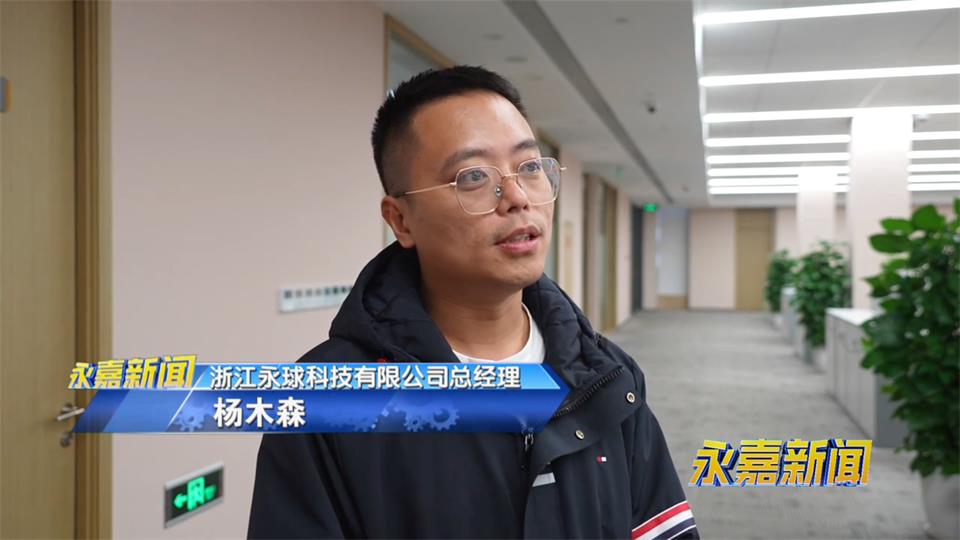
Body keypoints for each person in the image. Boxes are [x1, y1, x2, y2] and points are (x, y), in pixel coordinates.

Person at [248, 65, 698, 539]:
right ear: (400, 220)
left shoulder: (606, 375)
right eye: (473, 176)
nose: (518, 197)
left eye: (530, 167)